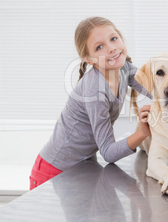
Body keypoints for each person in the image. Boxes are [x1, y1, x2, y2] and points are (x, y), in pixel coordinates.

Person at [30, 17, 151, 190]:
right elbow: (108, 152)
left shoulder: (126, 68)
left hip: (83, 164)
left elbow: (158, 92)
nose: (111, 48)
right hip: (54, 172)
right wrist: (142, 132)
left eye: (113, 38)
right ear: (89, 59)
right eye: (99, 47)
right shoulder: (95, 91)